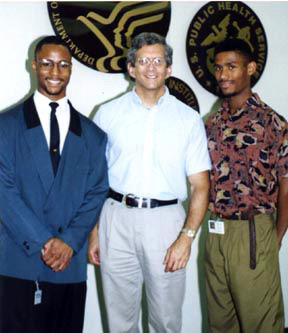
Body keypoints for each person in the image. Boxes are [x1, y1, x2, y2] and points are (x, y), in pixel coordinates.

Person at [88, 32, 211, 332]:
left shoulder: (188, 119)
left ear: (169, 68)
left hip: (166, 223)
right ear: (131, 68)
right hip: (115, 219)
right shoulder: (107, 114)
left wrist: (186, 238)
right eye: (143, 61)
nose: (151, 67)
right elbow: (93, 180)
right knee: (119, 320)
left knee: (166, 320)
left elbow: (200, 185)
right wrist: (94, 232)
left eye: (158, 60)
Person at [0, 35, 109, 333]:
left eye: (63, 65)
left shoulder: (93, 135)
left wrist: (70, 242)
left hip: (69, 265)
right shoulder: (5, 126)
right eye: (47, 64)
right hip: (19, 261)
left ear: (71, 70)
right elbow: (3, 192)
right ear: (34, 66)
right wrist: (44, 243)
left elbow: (97, 191)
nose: (55, 72)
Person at [205, 38, 288, 333]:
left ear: (250, 68)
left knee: (261, 324)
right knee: (220, 322)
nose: (223, 75)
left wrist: (275, 234)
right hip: (215, 233)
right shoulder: (211, 124)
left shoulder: (272, 123)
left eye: (231, 67)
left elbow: (286, 184)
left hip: (253, 232)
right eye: (218, 68)